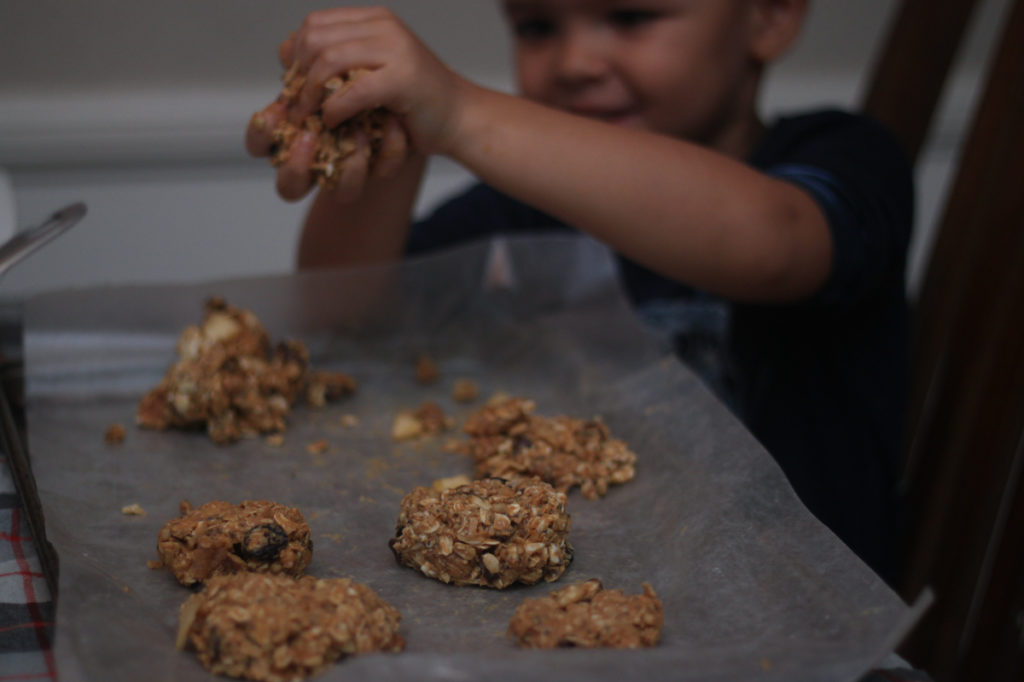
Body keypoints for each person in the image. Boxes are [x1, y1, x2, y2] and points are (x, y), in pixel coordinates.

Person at [245, 0, 913, 586]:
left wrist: (463, 111)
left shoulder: (844, 156)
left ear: (769, 14)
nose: (573, 61)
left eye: (630, 16)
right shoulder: (520, 211)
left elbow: (775, 245)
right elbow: (343, 318)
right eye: (536, 25)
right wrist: (388, 141)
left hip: (801, 622)